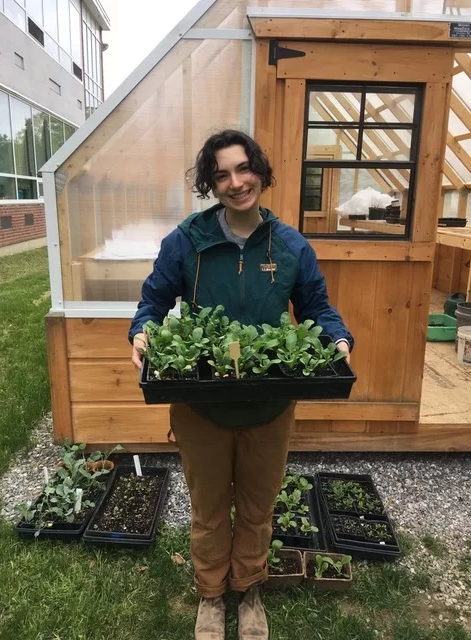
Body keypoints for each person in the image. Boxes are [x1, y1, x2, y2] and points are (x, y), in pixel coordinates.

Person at [129, 130, 353, 640]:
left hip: (269, 404)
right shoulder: (187, 241)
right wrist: (141, 332)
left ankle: (248, 589)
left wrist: (337, 338)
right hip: (201, 405)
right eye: (222, 174)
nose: (236, 183)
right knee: (209, 511)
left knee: (257, 506)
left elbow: (316, 308)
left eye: (243, 169)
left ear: (260, 171)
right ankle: (211, 595)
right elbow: (153, 302)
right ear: (211, 182)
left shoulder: (290, 244)